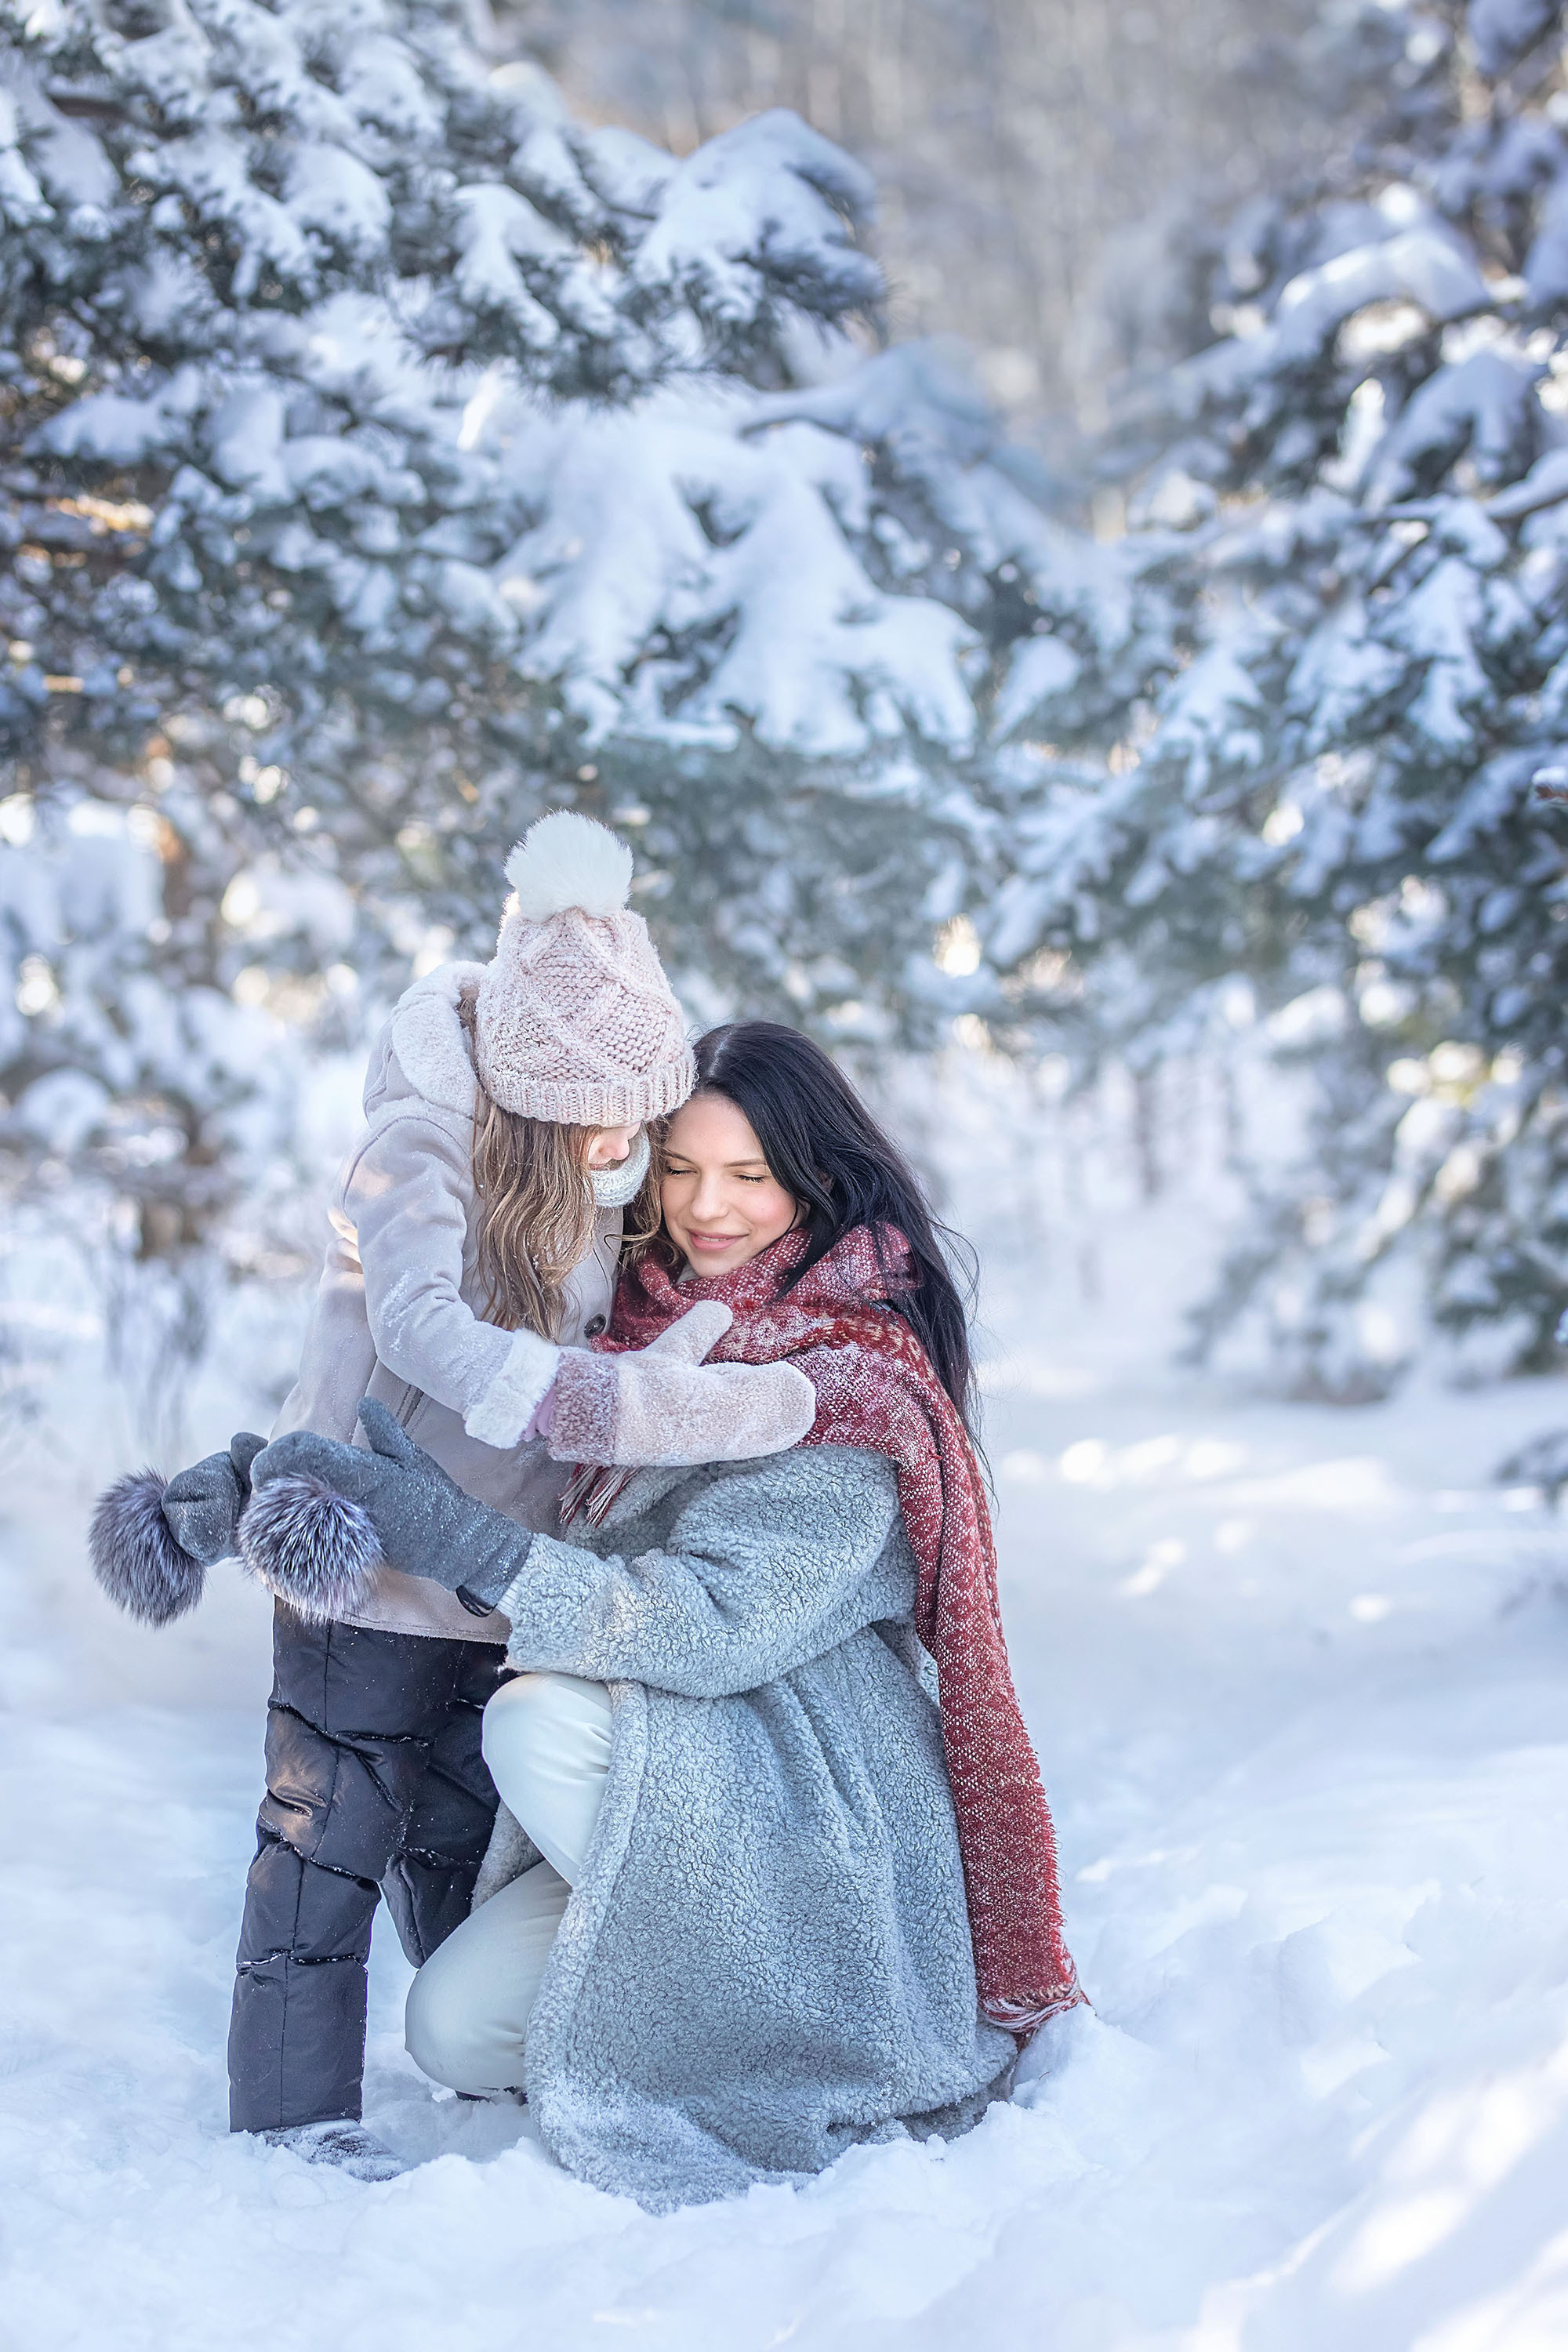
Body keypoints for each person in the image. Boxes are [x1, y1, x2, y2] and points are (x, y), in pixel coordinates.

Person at [248, 1020, 1082, 2209]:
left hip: (810, 1789)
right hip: (668, 1773)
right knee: (452, 2031)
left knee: (529, 1722)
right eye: (679, 1168)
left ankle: (828, 2008)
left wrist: (473, 1549)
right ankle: (701, 2011)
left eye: (751, 1175)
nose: (708, 1209)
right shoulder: (629, 1334)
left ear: (817, 1178)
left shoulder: (848, 1378)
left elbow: (710, 1622)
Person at [88, 824, 814, 2178]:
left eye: (637, 1109)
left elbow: (615, 1339)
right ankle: (291, 2127)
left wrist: (669, 1378)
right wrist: (622, 1403)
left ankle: (476, 2067)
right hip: (362, 1564)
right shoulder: (423, 1144)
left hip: (494, 1574)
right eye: (596, 1113)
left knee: (462, 1846)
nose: (624, 1140)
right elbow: (420, 1325)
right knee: (325, 1845)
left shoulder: (600, 1165)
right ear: (528, 1089)